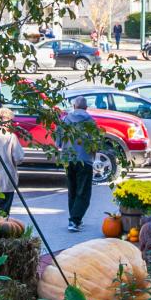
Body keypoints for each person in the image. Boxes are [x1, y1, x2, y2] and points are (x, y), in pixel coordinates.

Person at [57, 96, 100, 232]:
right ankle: (75, 220)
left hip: (68, 159)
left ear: (74, 107)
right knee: (84, 192)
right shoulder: (91, 122)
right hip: (84, 160)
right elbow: (96, 144)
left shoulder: (64, 120)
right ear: (86, 108)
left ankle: (75, 219)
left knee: (73, 190)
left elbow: (57, 141)